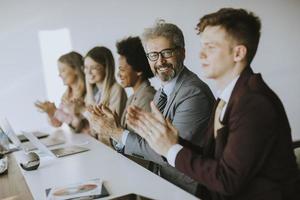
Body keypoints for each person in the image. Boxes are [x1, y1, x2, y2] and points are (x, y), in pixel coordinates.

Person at [127, 8, 300, 200]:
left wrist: (171, 149)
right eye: (202, 46)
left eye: (210, 47)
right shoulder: (228, 96)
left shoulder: (254, 103)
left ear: (238, 53)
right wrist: (172, 141)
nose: (201, 54)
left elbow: (227, 180)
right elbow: (213, 159)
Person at [89, 21, 215, 195]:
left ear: (182, 53)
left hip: (187, 190)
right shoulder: (162, 91)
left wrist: (117, 132)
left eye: (167, 53)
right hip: (161, 181)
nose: (160, 61)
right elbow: (150, 142)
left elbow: (167, 150)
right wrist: (115, 129)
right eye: (153, 55)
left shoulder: (193, 93)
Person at [83, 46, 127, 146]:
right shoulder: (94, 91)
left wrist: (83, 110)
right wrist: (88, 87)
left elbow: (106, 129)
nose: (88, 72)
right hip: (98, 145)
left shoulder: (116, 90)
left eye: (93, 67)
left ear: (106, 68)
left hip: (111, 147)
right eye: (86, 67)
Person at [35, 51, 88, 133]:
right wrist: (49, 112)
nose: (59, 75)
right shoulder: (67, 94)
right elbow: (57, 123)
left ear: (76, 70)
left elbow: (77, 126)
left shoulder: (87, 93)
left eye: (63, 70)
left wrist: (55, 111)